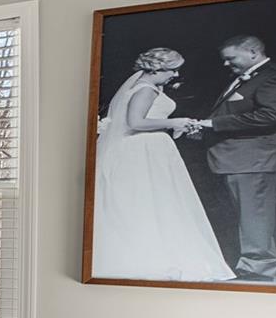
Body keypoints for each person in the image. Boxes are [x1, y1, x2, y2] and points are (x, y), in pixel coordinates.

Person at [90, 47, 232, 282]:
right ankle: (149, 257)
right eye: (173, 70)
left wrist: (177, 125)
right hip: (142, 148)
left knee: (156, 200)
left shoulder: (150, 87)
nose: (176, 75)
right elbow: (134, 122)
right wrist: (174, 121)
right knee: (149, 200)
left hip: (150, 147)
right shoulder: (145, 90)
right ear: (157, 68)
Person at [177, 35, 276, 284]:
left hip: (255, 160)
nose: (225, 64)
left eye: (231, 58)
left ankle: (258, 270)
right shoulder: (244, 78)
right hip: (234, 160)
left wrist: (213, 124)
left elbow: (272, 115)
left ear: (253, 52)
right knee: (245, 216)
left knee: (255, 216)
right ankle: (246, 267)